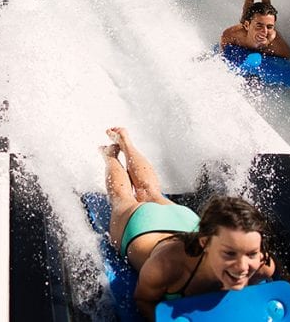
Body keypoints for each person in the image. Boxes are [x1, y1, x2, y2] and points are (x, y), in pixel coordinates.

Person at [101, 127, 275, 319]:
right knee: (122, 197)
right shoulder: (167, 265)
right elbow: (144, 300)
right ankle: (111, 154)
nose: (243, 266)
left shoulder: (263, 266)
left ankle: (127, 144)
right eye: (229, 254)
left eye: (251, 253)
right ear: (204, 243)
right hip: (142, 227)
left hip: (183, 220)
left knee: (150, 191)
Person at [220, 0, 290, 59]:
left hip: (267, 33)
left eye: (270, 27)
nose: (264, 31)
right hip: (246, 27)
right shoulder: (234, 35)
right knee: (246, 17)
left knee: (267, 14)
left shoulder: (279, 49)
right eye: (259, 25)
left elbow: (285, 59)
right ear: (247, 26)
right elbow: (224, 49)